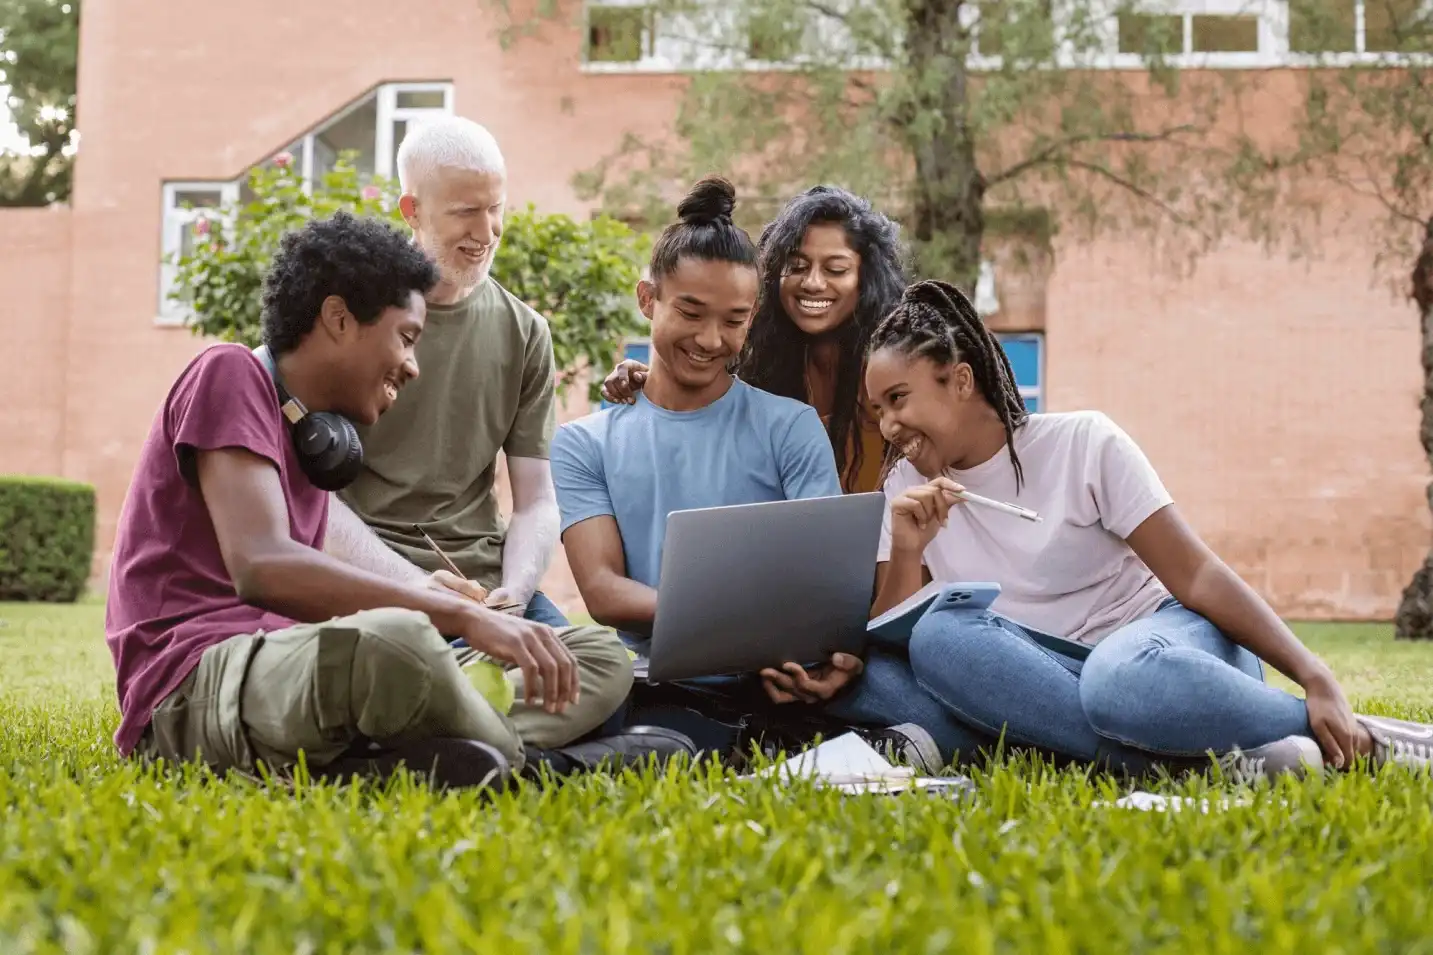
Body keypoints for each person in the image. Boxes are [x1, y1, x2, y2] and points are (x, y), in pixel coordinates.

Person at [104, 211, 693, 790]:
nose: (412, 366)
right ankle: (539, 767)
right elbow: (263, 565)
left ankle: (425, 758)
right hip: (197, 683)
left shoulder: (311, 438)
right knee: (401, 644)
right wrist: (455, 615)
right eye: (407, 338)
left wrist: (441, 601)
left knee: (593, 655)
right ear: (338, 318)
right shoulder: (228, 373)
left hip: (307, 673)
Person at [864, 278, 1433, 780]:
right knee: (938, 639)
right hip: (1046, 676)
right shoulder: (904, 490)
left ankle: (1353, 732)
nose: (889, 426)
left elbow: (1198, 575)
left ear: (960, 381)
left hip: (1160, 649)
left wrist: (1313, 674)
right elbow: (895, 637)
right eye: (878, 410)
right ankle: (1194, 760)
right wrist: (911, 549)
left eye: (898, 400)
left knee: (1118, 682)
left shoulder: (1083, 444)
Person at [551, 177, 988, 770]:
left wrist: (829, 650)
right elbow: (602, 592)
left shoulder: (790, 424)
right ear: (647, 299)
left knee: (890, 693)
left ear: (752, 316)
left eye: (733, 320)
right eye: (690, 312)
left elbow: (830, 581)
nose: (711, 339)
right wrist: (741, 625)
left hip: (784, 670)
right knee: (603, 686)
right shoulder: (584, 441)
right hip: (656, 675)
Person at [320, 115, 571, 630]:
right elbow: (309, 502)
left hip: (481, 584)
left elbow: (536, 501)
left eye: (496, 209)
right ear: (412, 210)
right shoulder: (347, 317)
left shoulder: (526, 333)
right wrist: (417, 590)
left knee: (597, 673)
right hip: (368, 578)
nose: (487, 233)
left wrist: (515, 596)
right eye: (465, 213)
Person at [599, 184, 907, 494]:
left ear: (866, 279)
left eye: (836, 269)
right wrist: (648, 381)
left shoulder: (894, 373)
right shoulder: (758, 362)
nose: (813, 283)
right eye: (796, 266)